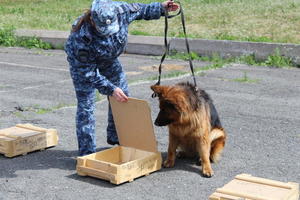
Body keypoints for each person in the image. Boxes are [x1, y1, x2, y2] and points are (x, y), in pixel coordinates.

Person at [65, 0, 179, 156]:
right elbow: (88, 73)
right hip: (84, 66)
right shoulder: (80, 38)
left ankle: (116, 136)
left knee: (122, 95)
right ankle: (87, 153)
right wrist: (110, 89)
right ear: (92, 19)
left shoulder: (121, 11)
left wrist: (161, 8)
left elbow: (141, 10)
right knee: (86, 106)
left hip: (109, 60)